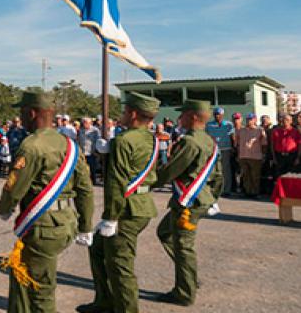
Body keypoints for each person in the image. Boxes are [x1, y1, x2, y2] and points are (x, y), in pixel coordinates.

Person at [0, 91, 94, 313]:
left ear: (32, 113)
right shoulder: (69, 144)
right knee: (23, 275)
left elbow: (14, 185)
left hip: (43, 226)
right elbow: (85, 188)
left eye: (22, 112)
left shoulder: (31, 145)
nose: (21, 118)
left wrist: (4, 208)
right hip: (66, 221)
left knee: (40, 290)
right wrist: (86, 225)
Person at [77, 92, 161, 313]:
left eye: (124, 111)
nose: (121, 115)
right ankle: (105, 301)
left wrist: (110, 217)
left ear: (133, 114)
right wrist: (111, 147)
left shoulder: (125, 140)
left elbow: (116, 183)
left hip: (125, 209)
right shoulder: (148, 137)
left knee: (120, 265)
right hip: (141, 204)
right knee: (97, 249)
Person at [153, 99, 222, 307]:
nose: (179, 118)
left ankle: (184, 292)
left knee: (183, 247)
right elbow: (218, 175)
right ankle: (188, 277)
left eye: (182, 114)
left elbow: (169, 171)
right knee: (165, 233)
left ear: (192, 116)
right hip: (200, 199)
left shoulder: (190, 142)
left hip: (188, 202)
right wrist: (213, 199)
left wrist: (145, 182)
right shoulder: (209, 140)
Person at [235, 113, 267, 199]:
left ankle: (255, 192)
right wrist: (238, 155)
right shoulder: (241, 130)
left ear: (255, 120)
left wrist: (263, 155)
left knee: (255, 176)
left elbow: (264, 144)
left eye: (251, 119)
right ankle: (248, 192)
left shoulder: (260, 130)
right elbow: (237, 144)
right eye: (248, 119)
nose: (249, 121)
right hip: (243, 156)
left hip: (255, 157)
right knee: (246, 176)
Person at [205, 107, 234, 197]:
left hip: (225, 149)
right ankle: (215, 189)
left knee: (226, 171)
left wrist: (233, 148)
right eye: (216, 114)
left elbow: (232, 137)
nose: (217, 116)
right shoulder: (209, 125)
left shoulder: (229, 124)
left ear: (222, 115)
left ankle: (227, 190)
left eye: (219, 114)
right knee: (214, 171)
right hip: (213, 150)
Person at [271, 114, 301, 180]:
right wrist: (274, 157)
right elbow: (272, 145)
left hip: (292, 157)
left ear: (291, 121)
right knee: (279, 176)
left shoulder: (296, 132)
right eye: (284, 119)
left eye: (287, 120)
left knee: (291, 176)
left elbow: (300, 145)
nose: (285, 121)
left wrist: (298, 157)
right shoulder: (276, 131)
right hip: (279, 157)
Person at [77, 118, 101, 185]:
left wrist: (96, 151)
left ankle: (93, 182)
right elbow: (79, 140)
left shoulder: (95, 130)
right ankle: (85, 183)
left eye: (86, 122)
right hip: (83, 153)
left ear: (90, 123)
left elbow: (98, 141)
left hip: (92, 153)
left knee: (92, 169)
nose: (84, 124)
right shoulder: (81, 130)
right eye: (83, 122)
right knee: (83, 169)